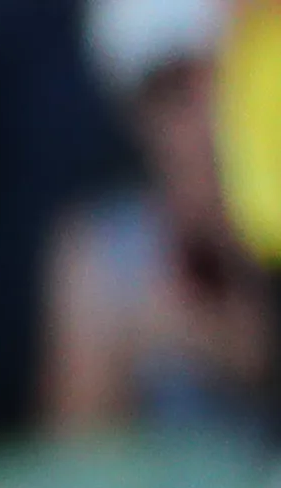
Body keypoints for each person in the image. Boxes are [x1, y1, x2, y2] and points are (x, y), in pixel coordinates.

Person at [46, 0, 271, 432]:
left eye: (228, 78)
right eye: (173, 92)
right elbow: (79, 462)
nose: (205, 117)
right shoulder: (105, 250)